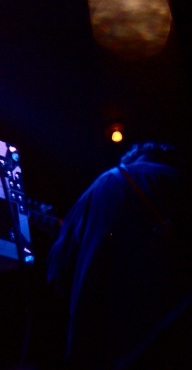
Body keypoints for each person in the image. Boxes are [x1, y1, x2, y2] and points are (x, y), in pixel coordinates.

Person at [47, 141, 192, 369]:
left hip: (113, 345)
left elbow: (57, 270)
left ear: (132, 159)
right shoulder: (183, 183)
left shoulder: (107, 182)